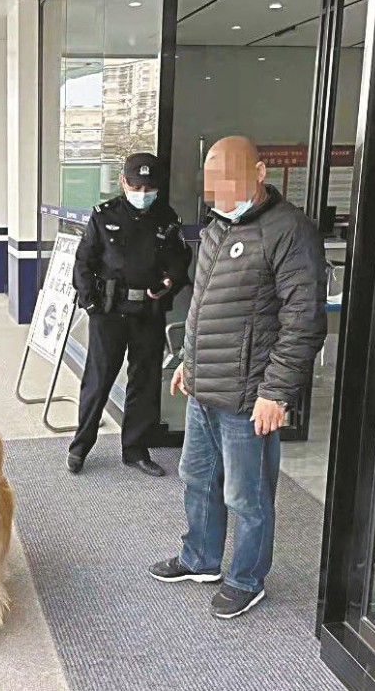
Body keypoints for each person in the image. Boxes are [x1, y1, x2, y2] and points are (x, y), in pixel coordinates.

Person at [149, 136, 326, 618]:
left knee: (247, 495)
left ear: (260, 171)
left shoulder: (289, 231)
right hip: (205, 385)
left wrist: (277, 391)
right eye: (213, 181)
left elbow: (304, 318)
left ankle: (246, 578)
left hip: (251, 396)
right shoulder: (216, 228)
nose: (220, 190)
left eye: (230, 177)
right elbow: (204, 307)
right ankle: (199, 559)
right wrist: (188, 358)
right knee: (197, 478)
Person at [68, 153, 192, 477]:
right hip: (109, 313)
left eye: (148, 187)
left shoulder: (167, 218)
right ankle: (80, 447)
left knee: (145, 382)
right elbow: (83, 263)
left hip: (148, 313)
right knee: (98, 381)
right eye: (135, 185)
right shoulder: (103, 216)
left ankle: (136, 449)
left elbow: (180, 262)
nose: (142, 192)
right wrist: (90, 303)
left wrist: (170, 281)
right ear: (123, 182)